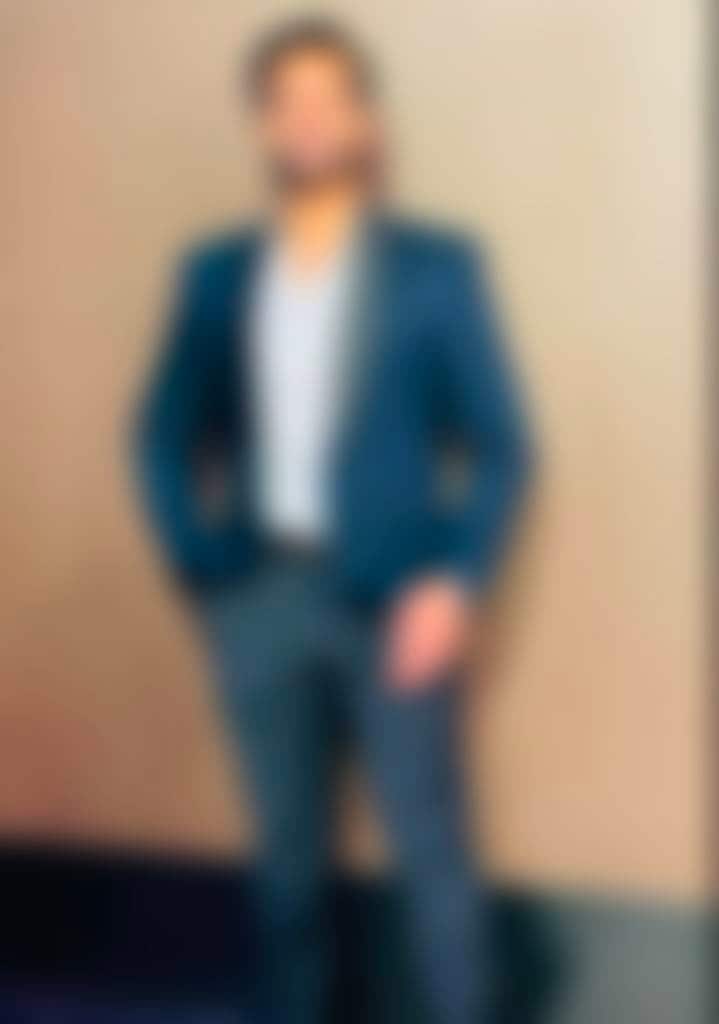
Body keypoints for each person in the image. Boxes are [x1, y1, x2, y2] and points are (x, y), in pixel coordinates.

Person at [135, 16, 533, 1024]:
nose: (310, 116)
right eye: (288, 100)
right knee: (287, 872)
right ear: (264, 127)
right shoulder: (215, 274)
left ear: (365, 120)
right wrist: (204, 568)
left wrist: (455, 584)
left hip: (397, 605)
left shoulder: (438, 268)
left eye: (331, 95)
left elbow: (504, 446)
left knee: (433, 862)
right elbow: (161, 433)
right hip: (259, 599)